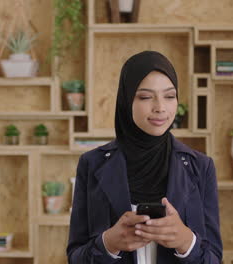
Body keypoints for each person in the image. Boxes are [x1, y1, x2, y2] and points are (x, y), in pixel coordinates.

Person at [67, 50, 223, 264]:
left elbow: (214, 258)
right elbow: (75, 257)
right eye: (146, 97)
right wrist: (108, 243)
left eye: (169, 96)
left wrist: (187, 242)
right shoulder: (91, 164)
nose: (160, 108)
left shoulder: (201, 167)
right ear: (126, 100)